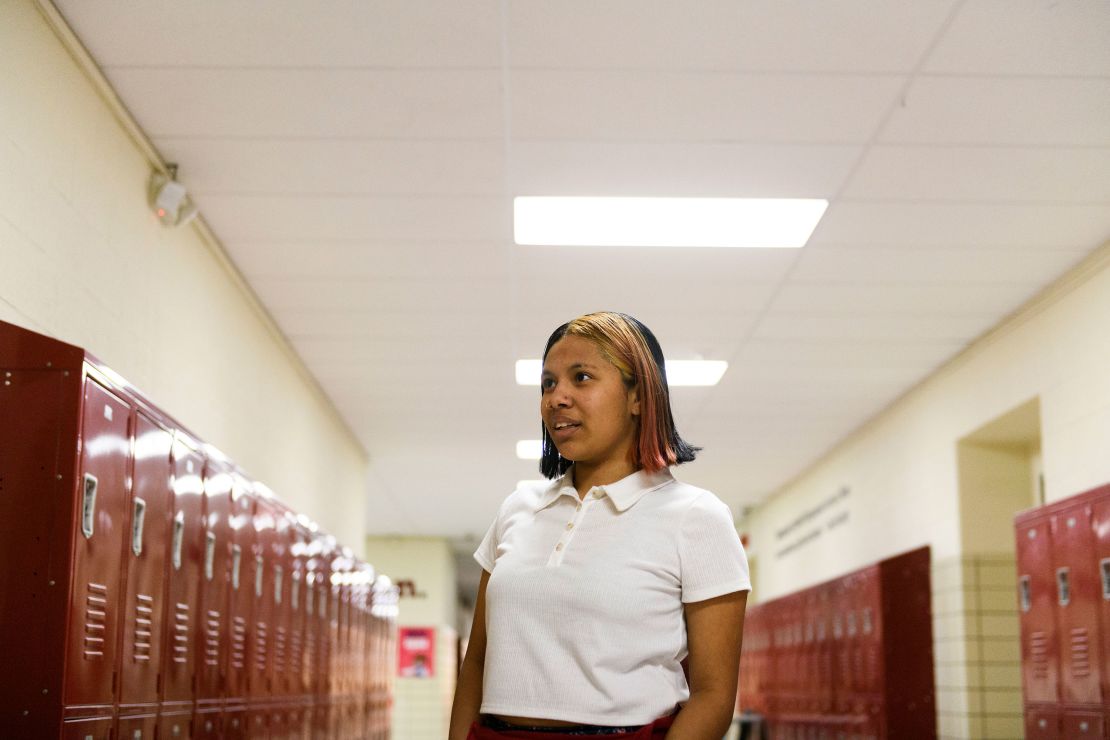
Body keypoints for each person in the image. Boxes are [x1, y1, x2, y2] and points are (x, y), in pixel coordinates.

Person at [449, 312, 750, 740]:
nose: (557, 397)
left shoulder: (696, 517)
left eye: (582, 377)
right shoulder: (519, 508)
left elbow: (714, 695)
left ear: (639, 397)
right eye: (548, 383)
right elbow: (475, 663)